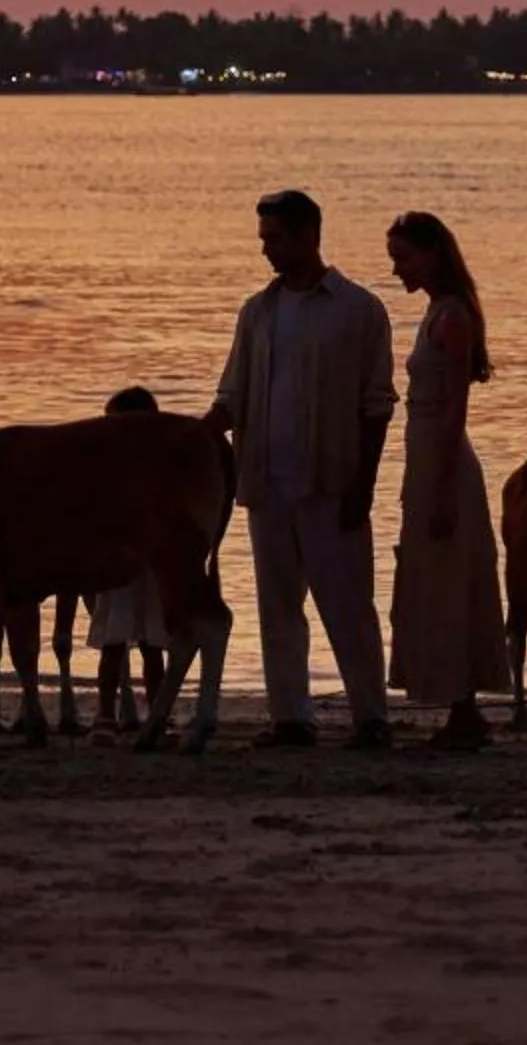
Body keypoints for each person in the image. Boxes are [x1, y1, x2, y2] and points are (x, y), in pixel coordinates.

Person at [213, 187, 398, 750]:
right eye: (264, 238)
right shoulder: (257, 312)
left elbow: (376, 405)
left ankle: (371, 717)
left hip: (331, 481)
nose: (265, 249)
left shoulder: (359, 310)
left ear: (308, 236)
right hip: (266, 482)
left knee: (348, 606)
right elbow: (232, 395)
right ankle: (290, 717)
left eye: (274, 238)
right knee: (277, 606)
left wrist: (364, 486)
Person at [382, 211, 511, 750]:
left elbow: (456, 406)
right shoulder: (436, 311)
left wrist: (440, 485)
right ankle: (460, 705)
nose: (397, 269)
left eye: (404, 257)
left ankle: (464, 708)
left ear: (432, 253)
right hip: (426, 455)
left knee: (451, 579)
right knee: (434, 577)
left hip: (444, 458)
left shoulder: (453, 316)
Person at [83, 385, 170, 742]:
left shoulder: (156, 466)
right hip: (120, 562)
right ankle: (106, 713)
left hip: (145, 563)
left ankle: (154, 712)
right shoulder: (110, 468)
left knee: (150, 645)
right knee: (114, 643)